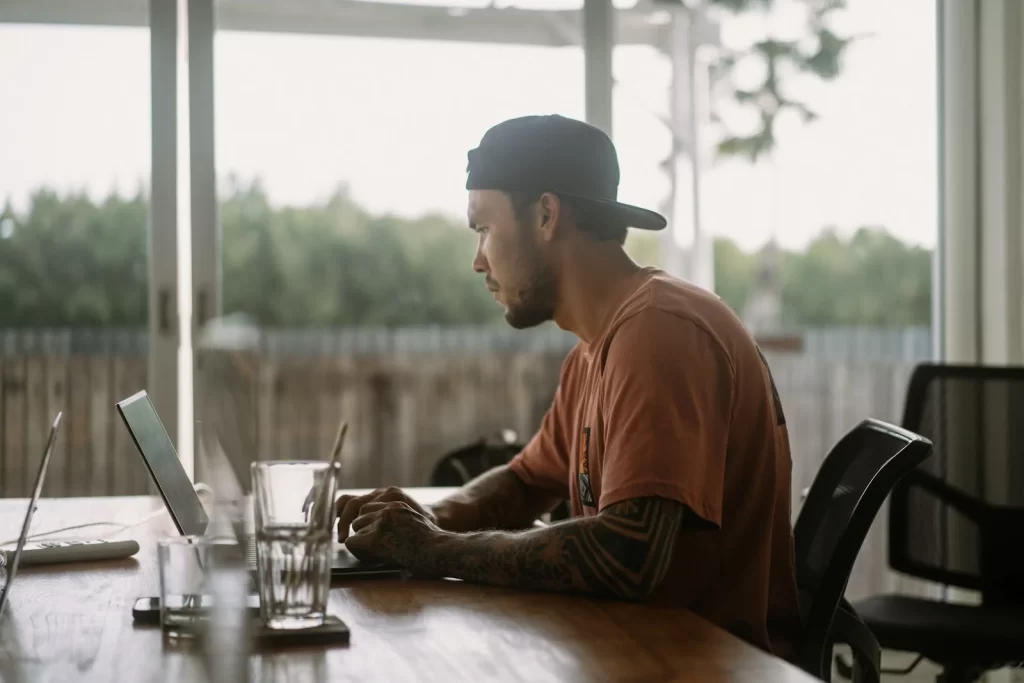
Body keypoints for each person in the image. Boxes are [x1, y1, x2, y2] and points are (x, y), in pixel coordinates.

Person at [336, 114, 803, 656]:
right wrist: (421, 520)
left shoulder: (659, 332)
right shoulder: (598, 345)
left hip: (704, 666)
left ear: (546, 215)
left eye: (484, 229)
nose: (477, 260)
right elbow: (525, 482)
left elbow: (627, 555)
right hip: (639, 651)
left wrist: (435, 550)